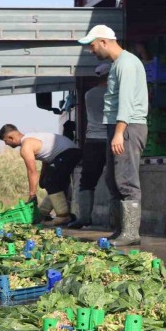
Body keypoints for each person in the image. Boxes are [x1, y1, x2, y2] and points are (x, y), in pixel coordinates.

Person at [78, 25, 148, 246]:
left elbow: (125, 102)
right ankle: (120, 230)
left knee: (126, 180)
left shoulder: (126, 64)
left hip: (126, 127)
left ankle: (130, 233)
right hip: (117, 127)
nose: (91, 50)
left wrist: (119, 133)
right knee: (113, 180)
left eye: (92, 45)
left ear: (104, 42)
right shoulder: (118, 64)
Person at [0, 124, 82, 226]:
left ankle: (64, 217)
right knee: (52, 182)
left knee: (50, 181)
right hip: (71, 152)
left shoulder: (26, 146)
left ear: (11, 137)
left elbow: (32, 171)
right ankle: (43, 213)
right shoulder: (31, 137)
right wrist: (43, 176)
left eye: (5, 141)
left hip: (67, 153)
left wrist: (32, 195)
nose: (6, 144)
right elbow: (47, 157)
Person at [68, 63, 111, 229]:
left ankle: (84, 218)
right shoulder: (113, 94)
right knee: (116, 180)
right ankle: (117, 220)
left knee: (87, 180)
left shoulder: (88, 94)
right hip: (111, 140)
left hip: (92, 141)